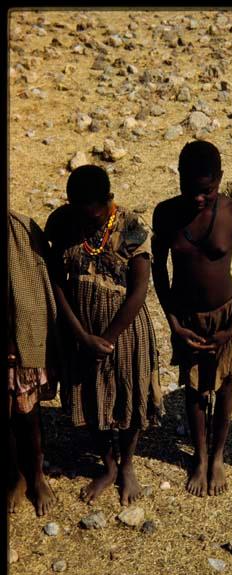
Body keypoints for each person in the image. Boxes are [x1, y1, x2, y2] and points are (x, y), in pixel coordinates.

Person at [45, 165, 162, 506]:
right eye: (81, 212)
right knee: (88, 396)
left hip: (124, 330)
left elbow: (139, 291)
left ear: (109, 201)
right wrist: (82, 335)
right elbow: (57, 283)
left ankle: (126, 463)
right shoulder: (62, 223)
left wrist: (107, 338)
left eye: (95, 215)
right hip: (79, 328)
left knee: (129, 394)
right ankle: (107, 466)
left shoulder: (132, 227)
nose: (89, 220)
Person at [152, 140, 232, 497]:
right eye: (191, 190)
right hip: (186, 316)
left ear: (221, 180)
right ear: (179, 179)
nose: (198, 199)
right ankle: (199, 456)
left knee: (224, 383)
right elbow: (159, 271)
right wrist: (173, 322)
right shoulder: (165, 214)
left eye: (207, 191)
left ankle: (218, 456)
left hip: (225, 312)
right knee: (195, 388)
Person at [8, 210, 59, 516]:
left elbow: (43, 289)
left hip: (22, 347)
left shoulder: (23, 230)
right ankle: (15, 475)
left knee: (28, 417)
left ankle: (37, 475)